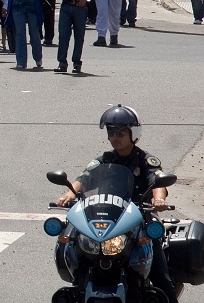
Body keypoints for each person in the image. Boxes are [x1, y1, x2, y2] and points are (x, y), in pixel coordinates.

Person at [53, 105, 177, 303]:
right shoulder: (104, 159)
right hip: (109, 217)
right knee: (76, 247)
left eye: (120, 132)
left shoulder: (146, 160)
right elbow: (84, 178)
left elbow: (158, 181)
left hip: (140, 217)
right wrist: (69, 192)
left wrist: (159, 199)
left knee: (158, 273)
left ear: (133, 133)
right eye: (111, 132)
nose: (115, 137)